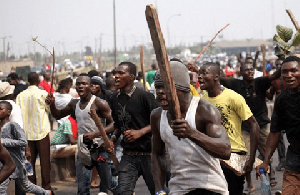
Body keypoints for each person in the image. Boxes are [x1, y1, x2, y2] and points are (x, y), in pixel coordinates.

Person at [151, 60, 230, 195]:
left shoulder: (204, 111)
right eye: (158, 87)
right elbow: (157, 154)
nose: (160, 92)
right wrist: (159, 190)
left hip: (210, 188)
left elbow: (225, 150)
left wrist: (192, 133)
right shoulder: (157, 116)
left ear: (183, 88)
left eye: (165, 87)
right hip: (178, 189)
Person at [46, 74, 117, 195]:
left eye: (84, 84)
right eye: (78, 84)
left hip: (100, 148)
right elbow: (58, 115)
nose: (80, 86)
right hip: (84, 149)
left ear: (90, 86)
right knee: (83, 188)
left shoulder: (99, 103)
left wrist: (95, 134)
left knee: (109, 183)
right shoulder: (74, 103)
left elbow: (114, 124)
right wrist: (52, 104)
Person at [220, 58, 282, 190]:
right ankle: (249, 184)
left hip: (262, 123)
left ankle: (271, 176)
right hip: (244, 127)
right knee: (245, 157)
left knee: (267, 153)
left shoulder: (260, 82)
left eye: (251, 69)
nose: (250, 72)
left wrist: (284, 65)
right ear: (241, 72)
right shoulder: (235, 84)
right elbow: (219, 79)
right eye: (247, 70)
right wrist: (197, 70)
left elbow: (274, 75)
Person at [198, 62, 260, 195]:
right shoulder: (201, 102)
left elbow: (254, 125)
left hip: (234, 155)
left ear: (216, 76)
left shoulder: (233, 97)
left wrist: (252, 158)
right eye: (199, 74)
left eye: (204, 73)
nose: (200, 77)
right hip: (212, 157)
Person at [110, 62, 158, 195]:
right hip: (129, 155)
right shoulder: (115, 98)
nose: (116, 76)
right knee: (123, 191)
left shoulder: (145, 97)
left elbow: (160, 121)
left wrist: (140, 132)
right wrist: (113, 138)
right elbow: (118, 124)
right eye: (116, 73)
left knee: (158, 191)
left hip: (149, 155)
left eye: (121, 73)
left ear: (131, 77)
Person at [256, 56, 300, 194]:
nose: (289, 75)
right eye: (285, 72)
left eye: (294, 71)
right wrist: (266, 160)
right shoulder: (281, 100)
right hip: (295, 159)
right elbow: (275, 132)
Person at [0, 101, 52, 195]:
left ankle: (47, 193)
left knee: (26, 185)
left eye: (1, 109)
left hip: (17, 162)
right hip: (4, 163)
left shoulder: (13, 126)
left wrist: (4, 141)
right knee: (2, 187)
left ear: (8, 112)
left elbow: (23, 141)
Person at [16, 72, 52, 191]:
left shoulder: (20, 96)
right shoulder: (43, 94)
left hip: (26, 134)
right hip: (42, 131)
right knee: (45, 162)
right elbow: (49, 109)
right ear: (37, 81)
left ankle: (33, 189)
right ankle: (46, 187)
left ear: (28, 81)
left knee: (29, 163)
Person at [266, 57, 287, 171]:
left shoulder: (292, 78)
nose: (279, 66)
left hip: (292, 110)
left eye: (281, 65)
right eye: (277, 65)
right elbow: (270, 95)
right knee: (278, 136)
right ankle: (282, 160)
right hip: (280, 110)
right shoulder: (275, 81)